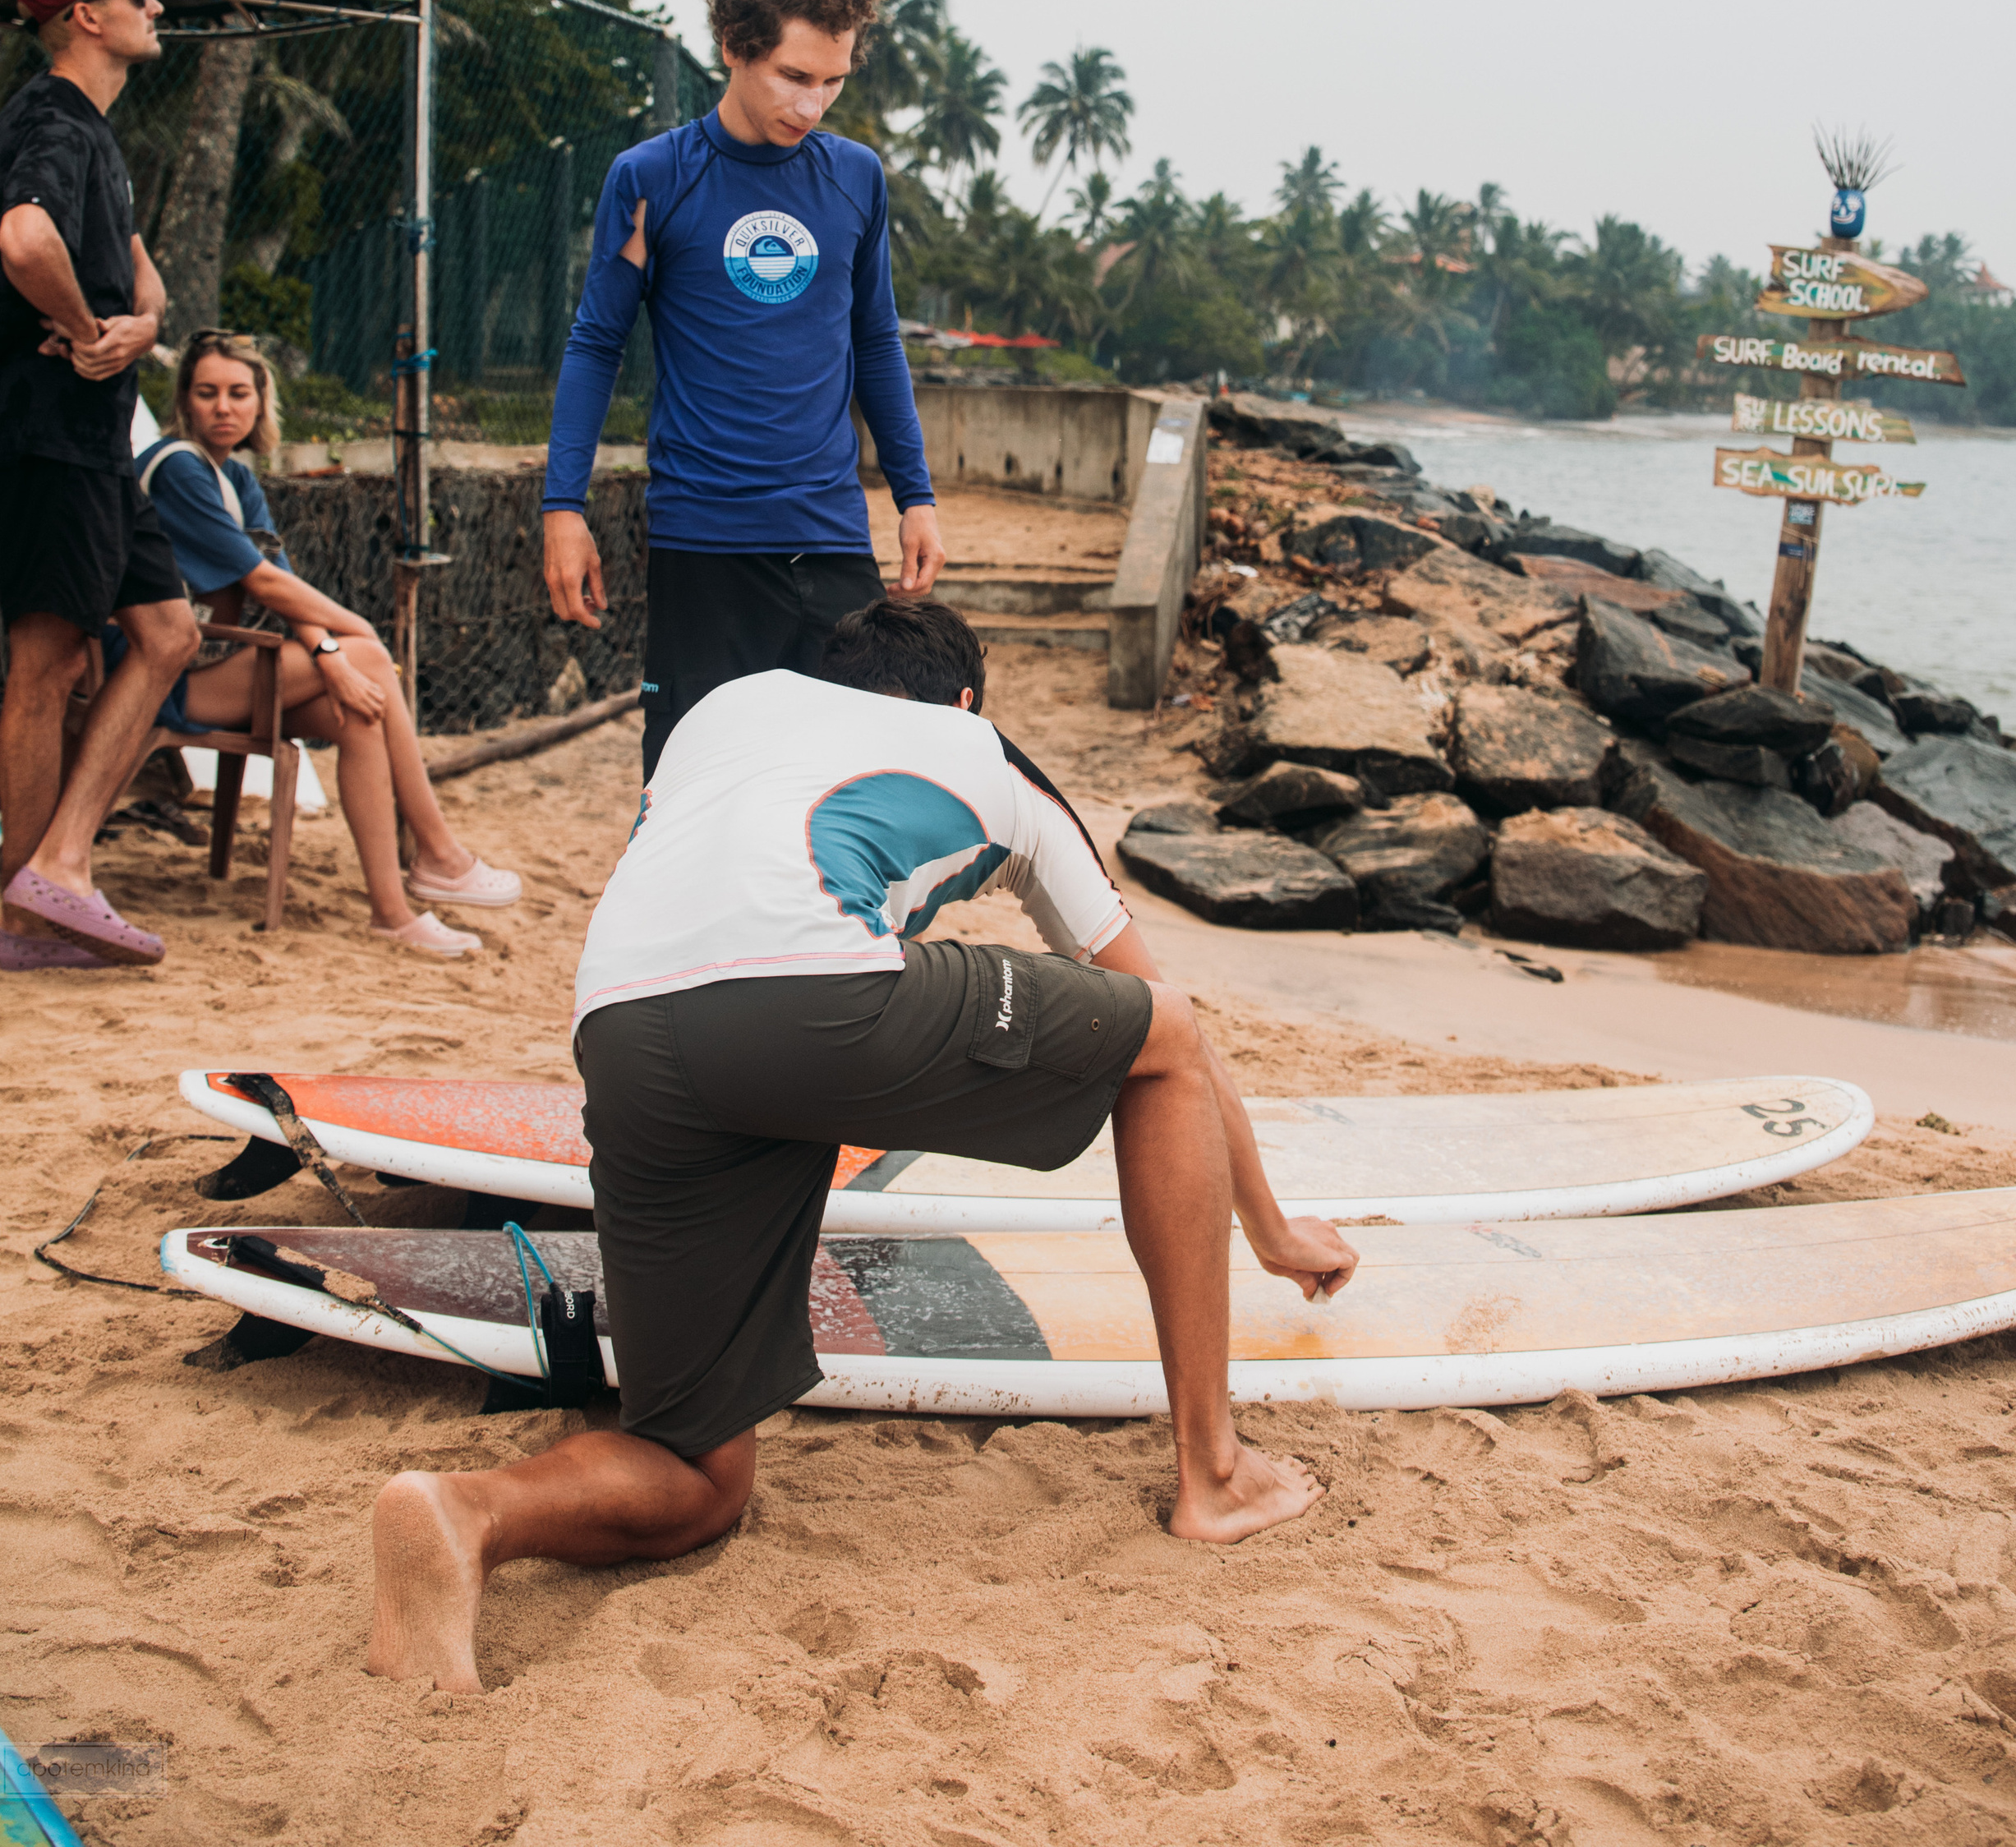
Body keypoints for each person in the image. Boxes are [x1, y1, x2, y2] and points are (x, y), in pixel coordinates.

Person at [366, 596, 1359, 1693]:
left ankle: (465, 1511)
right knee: (1163, 1040)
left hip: (620, 1024)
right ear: (965, 698)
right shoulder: (987, 753)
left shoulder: (728, 709)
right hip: (806, 997)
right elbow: (1160, 1001)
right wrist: (1267, 1223)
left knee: (697, 1473)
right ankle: (1215, 1471)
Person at [541, 0, 945, 781]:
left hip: (831, 535)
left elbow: (874, 338)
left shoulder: (856, 178)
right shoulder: (652, 176)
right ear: (734, 48)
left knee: (842, 783)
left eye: (833, 80)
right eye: (795, 77)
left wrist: (916, 495)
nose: (814, 104)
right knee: (693, 786)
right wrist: (562, 507)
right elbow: (594, 344)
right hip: (705, 539)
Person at [131, 330, 520, 956]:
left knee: (357, 709)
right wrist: (355, 638)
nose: (223, 407)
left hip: (214, 658)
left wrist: (331, 654)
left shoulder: (234, 474)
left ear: (261, 401)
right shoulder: (179, 468)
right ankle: (440, 853)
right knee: (368, 659)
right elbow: (261, 582)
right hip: (159, 674)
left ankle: (393, 912)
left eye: (238, 393)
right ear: (185, 401)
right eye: (206, 393)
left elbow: (280, 582)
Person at [0, 0, 196, 970]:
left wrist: (138, 323)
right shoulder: (49, 119)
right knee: (45, 664)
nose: (156, 7)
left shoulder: (94, 131)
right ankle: (20, 909)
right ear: (87, 14)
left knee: (167, 632)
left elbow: (137, 271)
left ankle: (62, 862)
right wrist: (85, 330)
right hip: (48, 434)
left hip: (98, 444)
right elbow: (24, 240)